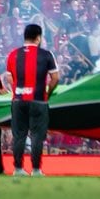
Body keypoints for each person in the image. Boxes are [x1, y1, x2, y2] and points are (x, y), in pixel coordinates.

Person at [6, 23, 59, 176]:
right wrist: (48, 91)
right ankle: (36, 170)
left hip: (18, 100)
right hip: (38, 100)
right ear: (38, 38)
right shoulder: (46, 54)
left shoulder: (13, 54)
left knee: (19, 135)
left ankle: (18, 169)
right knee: (37, 135)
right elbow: (55, 78)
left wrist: (18, 87)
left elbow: (9, 77)